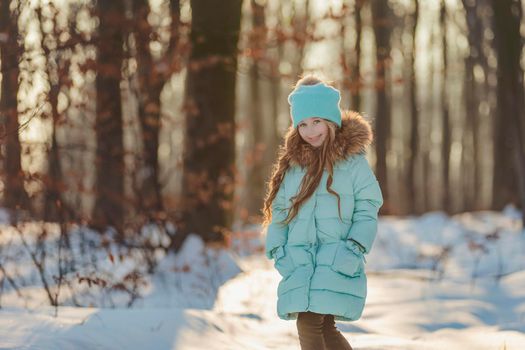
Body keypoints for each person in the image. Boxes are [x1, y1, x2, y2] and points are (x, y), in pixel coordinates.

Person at [262, 74, 384, 350]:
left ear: (331, 120)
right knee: (323, 326)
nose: (310, 130)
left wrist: (354, 247)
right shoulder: (294, 167)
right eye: (302, 124)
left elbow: (368, 206)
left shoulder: (352, 163)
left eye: (317, 121)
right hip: (300, 261)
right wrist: (279, 251)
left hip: (336, 257)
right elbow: (280, 212)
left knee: (309, 323)